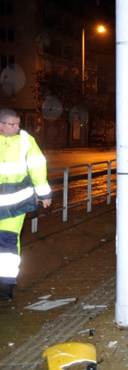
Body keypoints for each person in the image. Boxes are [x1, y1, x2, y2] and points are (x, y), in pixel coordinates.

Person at [0, 108, 51, 300]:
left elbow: (38, 167)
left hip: (15, 205)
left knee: (8, 243)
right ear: (1, 125)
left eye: (18, 124)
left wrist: (44, 194)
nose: (17, 127)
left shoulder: (25, 140)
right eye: (13, 124)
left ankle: (5, 287)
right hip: (12, 203)